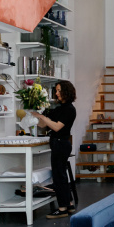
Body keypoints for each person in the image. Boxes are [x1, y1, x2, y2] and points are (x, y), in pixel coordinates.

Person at [30, 80, 76, 219]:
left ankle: (62, 209)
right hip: (58, 144)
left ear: (66, 92)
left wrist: (42, 117)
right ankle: (69, 204)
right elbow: (43, 125)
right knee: (61, 175)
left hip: (61, 144)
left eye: (59, 90)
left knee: (59, 176)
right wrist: (38, 114)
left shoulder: (69, 109)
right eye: (56, 90)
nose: (56, 93)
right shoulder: (59, 108)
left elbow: (56, 127)